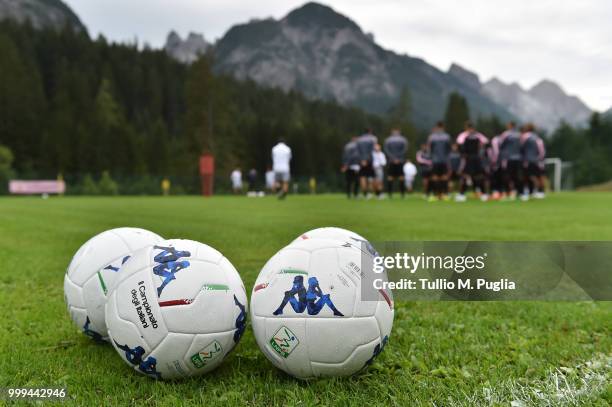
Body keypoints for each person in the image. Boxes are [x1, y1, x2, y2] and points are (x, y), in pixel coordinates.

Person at [456, 121, 489, 202]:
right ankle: (484, 195)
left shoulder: (463, 135)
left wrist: (462, 153)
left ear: (466, 127)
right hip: (477, 158)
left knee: (465, 176)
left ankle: (461, 195)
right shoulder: (478, 135)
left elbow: (458, 144)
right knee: (479, 176)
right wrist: (481, 149)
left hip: (468, 158)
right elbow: (486, 142)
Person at [521, 123, 546, 200]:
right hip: (537, 161)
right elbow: (542, 151)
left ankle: (526, 193)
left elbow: (521, 147)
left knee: (526, 176)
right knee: (539, 176)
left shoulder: (524, 137)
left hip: (527, 160)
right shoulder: (537, 138)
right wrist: (540, 159)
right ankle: (540, 192)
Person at [427, 121, 452, 201]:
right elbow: (449, 149)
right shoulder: (447, 136)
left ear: (436, 127)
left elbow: (429, 149)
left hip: (435, 160)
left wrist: (430, 158)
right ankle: (444, 194)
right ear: (443, 127)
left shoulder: (432, 137)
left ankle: (435, 195)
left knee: (435, 177)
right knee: (444, 177)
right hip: (444, 160)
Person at [499, 121, 523, 199]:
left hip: (508, 158)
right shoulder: (519, 135)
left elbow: (500, 145)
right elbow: (522, 146)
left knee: (507, 175)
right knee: (517, 176)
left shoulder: (505, 134)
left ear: (509, 126)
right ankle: (519, 192)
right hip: (518, 158)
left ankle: (507, 192)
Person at [384, 128, 408, 198]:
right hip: (400, 160)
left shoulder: (388, 140)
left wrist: (393, 158)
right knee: (401, 177)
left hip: (391, 161)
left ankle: (390, 194)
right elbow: (405, 150)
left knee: (390, 177)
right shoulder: (403, 139)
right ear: (399, 132)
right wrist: (398, 158)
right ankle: (402, 194)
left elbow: (386, 150)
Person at [356, 128, 378, 199]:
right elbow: (372, 150)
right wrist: (367, 160)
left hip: (360, 160)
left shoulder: (359, 140)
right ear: (370, 132)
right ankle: (370, 193)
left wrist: (361, 160)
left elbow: (357, 151)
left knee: (362, 176)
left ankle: (365, 194)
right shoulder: (372, 139)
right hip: (369, 160)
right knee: (371, 177)